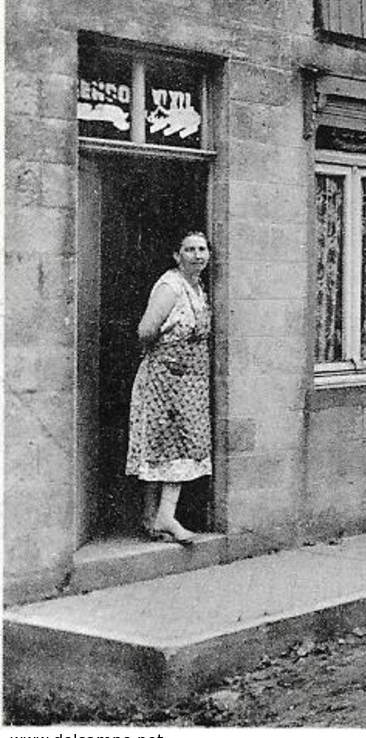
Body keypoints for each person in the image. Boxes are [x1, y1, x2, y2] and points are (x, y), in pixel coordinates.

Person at [127, 231, 214, 545]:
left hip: (189, 382)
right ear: (177, 256)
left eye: (202, 249)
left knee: (172, 447)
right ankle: (165, 516)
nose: (197, 255)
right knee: (168, 445)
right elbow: (145, 330)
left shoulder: (198, 287)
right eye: (189, 250)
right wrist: (166, 358)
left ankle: (152, 521)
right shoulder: (170, 286)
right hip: (165, 379)